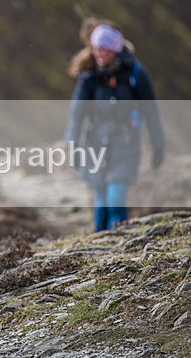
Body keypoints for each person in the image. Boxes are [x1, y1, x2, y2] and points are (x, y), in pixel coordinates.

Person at [65, 22, 165, 232]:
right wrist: (71, 143)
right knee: (100, 200)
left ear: (115, 49)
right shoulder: (88, 76)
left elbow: (151, 111)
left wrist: (158, 143)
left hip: (126, 144)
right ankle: (100, 245)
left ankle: (117, 242)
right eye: (96, 49)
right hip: (95, 145)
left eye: (104, 49)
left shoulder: (135, 73)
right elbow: (77, 113)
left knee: (115, 197)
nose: (99, 53)